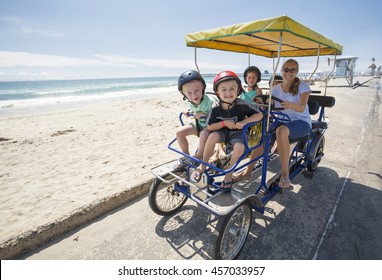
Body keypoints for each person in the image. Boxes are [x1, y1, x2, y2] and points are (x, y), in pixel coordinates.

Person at [190, 70, 263, 191]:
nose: (228, 93)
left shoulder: (242, 104)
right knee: (211, 136)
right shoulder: (215, 107)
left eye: (232, 89)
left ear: (238, 90)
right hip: (222, 132)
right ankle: (203, 165)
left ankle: (229, 175)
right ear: (217, 92)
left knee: (239, 147)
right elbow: (210, 127)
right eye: (223, 89)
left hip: (237, 133)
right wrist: (224, 123)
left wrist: (244, 122)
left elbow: (259, 115)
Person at [271, 59, 312, 188]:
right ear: (282, 70)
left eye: (292, 70)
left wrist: (290, 105)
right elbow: (270, 106)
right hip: (282, 120)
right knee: (262, 131)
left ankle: (285, 173)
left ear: (297, 72)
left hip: (301, 121)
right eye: (286, 69)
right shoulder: (275, 88)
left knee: (281, 131)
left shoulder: (303, 86)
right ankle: (248, 171)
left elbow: (301, 108)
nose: (289, 72)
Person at [174, 70, 218, 170]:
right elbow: (193, 108)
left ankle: (198, 156)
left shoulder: (211, 102)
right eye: (189, 93)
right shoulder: (191, 101)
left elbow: (220, 117)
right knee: (179, 133)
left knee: (203, 134)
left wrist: (206, 115)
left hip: (213, 128)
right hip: (200, 125)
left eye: (197, 91)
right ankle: (187, 157)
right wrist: (188, 111)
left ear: (203, 87)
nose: (194, 95)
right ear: (184, 94)